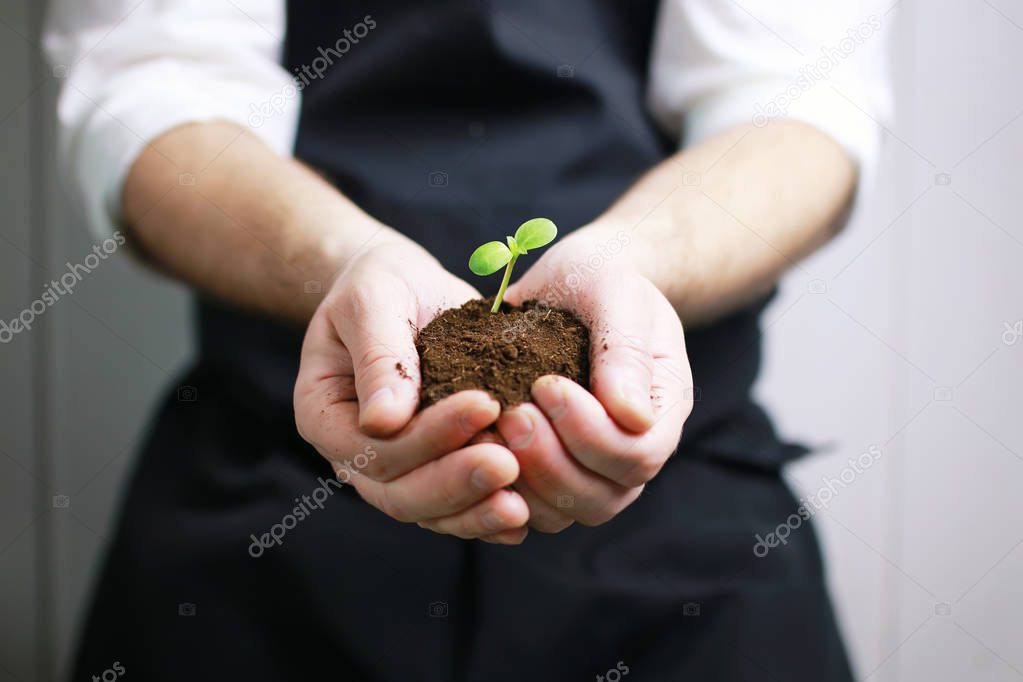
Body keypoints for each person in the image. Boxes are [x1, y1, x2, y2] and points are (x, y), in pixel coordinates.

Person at [45, 1, 889, 679]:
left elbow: (795, 100)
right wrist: (349, 261)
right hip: (272, 504)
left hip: (678, 510)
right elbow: (153, 85)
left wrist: (634, 259)